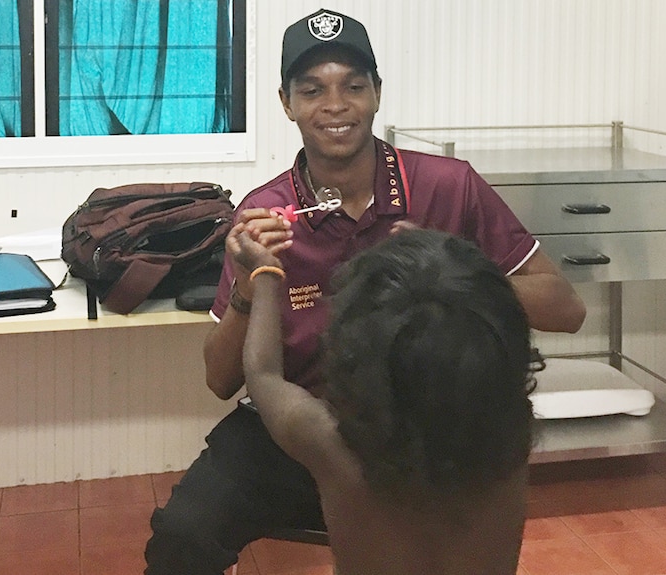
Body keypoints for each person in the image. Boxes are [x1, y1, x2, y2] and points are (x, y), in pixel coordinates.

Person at [144, 8, 586, 574]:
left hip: (427, 433)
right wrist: (254, 284)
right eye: (313, 90)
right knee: (182, 536)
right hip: (300, 433)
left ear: (377, 93)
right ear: (286, 103)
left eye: (353, 86)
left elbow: (566, 309)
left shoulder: (448, 186)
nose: (335, 105)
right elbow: (221, 380)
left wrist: (454, 268)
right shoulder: (263, 212)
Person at [234, 226, 539, 575]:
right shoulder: (511, 442)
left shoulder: (332, 448)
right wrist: (434, 253)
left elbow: (262, 373)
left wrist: (266, 273)